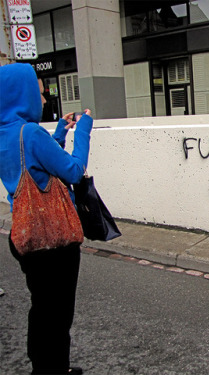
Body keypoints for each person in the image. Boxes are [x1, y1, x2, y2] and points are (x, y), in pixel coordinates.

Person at [0, 63, 93, 375]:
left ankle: (42, 366)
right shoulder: (30, 133)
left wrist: (58, 133)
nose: (42, 100)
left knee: (41, 308)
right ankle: (54, 370)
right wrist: (83, 129)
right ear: (22, 94)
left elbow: (36, 164)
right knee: (58, 314)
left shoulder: (7, 133)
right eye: (38, 93)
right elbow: (73, 171)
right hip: (53, 239)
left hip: (26, 233)